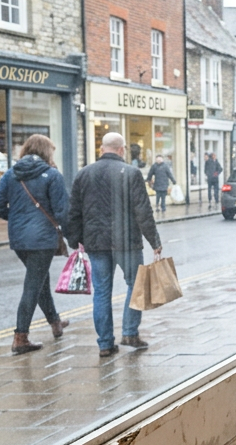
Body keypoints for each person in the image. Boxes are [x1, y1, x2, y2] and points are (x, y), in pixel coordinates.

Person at [65, 132, 163, 356]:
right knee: (135, 285)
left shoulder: (84, 174)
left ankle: (105, 344)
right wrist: (154, 241)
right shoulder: (131, 173)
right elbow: (143, 211)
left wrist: (75, 241)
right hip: (126, 242)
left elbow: (74, 212)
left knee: (101, 292)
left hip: (96, 243)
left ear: (101, 149)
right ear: (122, 150)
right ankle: (130, 332)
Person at [0, 134, 70, 355]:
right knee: (33, 286)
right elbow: (62, 211)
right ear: (46, 152)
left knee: (39, 280)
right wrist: (73, 236)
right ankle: (20, 337)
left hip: (18, 239)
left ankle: (55, 322)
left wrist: (16, 219)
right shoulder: (52, 175)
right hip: (42, 239)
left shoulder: (11, 174)